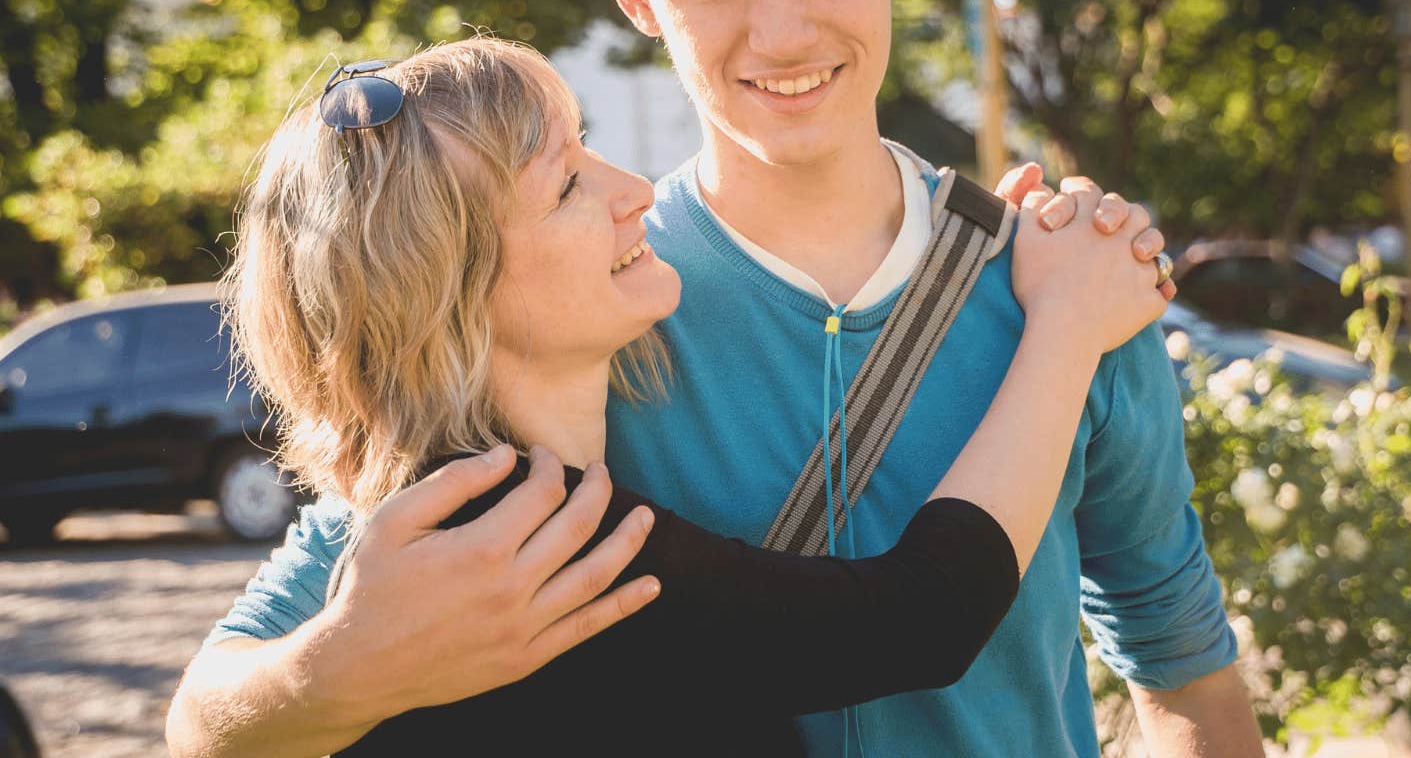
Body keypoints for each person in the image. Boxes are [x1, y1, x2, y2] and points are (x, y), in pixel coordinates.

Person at [171, 0, 1258, 758]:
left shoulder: (1061, 281)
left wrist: (1062, 318)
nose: (781, 32)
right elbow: (219, 707)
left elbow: (1183, 670)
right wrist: (336, 674)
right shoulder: (571, 321)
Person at [174, 37, 1170, 755]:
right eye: (566, 184)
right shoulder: (516, 538)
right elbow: (921, 619)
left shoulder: (445, 509)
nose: (633, 188)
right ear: (450, 299)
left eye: (590, 143)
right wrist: (1067, 329)